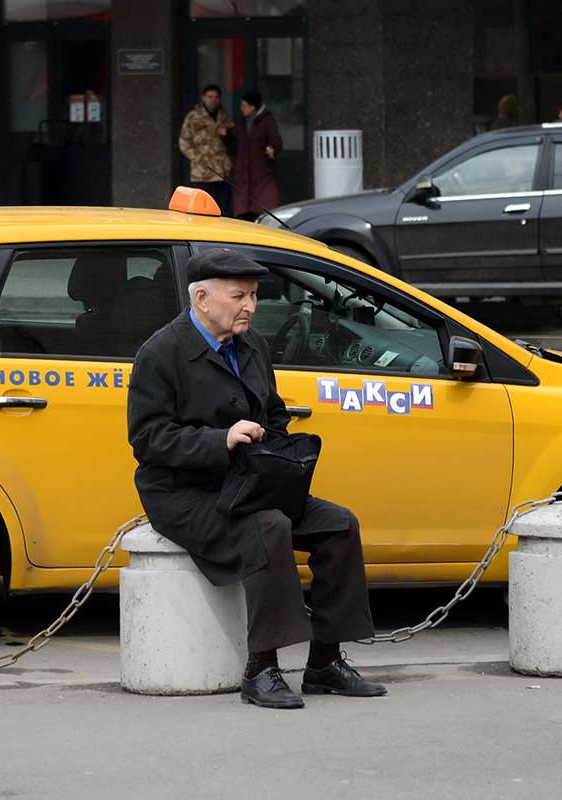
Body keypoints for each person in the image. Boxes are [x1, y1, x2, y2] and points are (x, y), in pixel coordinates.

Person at [127, 248, 386, 710]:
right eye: (239, 296)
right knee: (270, 527)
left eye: (253, 295)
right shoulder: (161, 352)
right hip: (185, 493)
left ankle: (325, 664)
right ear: (203, 298)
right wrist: (220, 439)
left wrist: (278, 453)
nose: (250, 306)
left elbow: (274, 412)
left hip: (251, 482)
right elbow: (148, 441)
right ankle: (261, 669)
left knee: (339, 525)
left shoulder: (251, 345)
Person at [178, 84, 234, 216]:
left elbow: (234, 142)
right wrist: (198, 158)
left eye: (216, 97)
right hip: (201, 171)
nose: (213, 100)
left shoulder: (225, 117)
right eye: (210, 97)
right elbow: (184, 142)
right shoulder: (193, 117)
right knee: (202, 209)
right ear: (203, 98)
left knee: (224, 208)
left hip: (222, 170)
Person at [227, 91, 283, 221]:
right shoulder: (241, 123)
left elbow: (276, 141)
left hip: (261, 172)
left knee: (264, 208)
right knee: (243, 210)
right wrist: (226, 135)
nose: (241, 109)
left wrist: (272, 149)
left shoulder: (267, 120)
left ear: (253, 107)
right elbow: (234, 145)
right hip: (243, 173)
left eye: (244, 106)